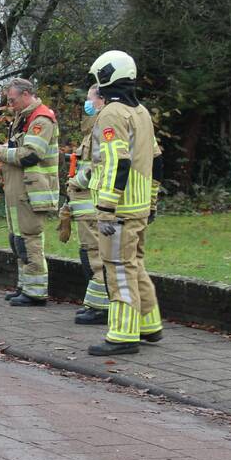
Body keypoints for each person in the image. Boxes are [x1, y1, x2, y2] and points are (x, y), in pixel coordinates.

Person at [87, 51, 164, 355]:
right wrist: (153, 201)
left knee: (118, 269)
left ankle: (122, 335)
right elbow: (157, 161)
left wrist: (106, 207)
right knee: (135, 266)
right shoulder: (142, 112)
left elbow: (116, 162)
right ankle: (149, 324)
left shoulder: (111, 114)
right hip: (140, 205)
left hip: (119, 210)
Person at [0, 78, 59, 306]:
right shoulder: (24, 117)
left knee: (29, 238)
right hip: (20, 188)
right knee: (17, 239)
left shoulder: (40, 119)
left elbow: (31, 154)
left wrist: (0, 154)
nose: (10, 104)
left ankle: (35, 292)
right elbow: (20, 148)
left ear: (26, 95)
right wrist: (2, 149)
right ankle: (25, 286)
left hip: (32, 189)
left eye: (13, 99)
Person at [65, 85, 109, 325]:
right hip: (84, 200)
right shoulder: (93, 128)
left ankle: (101, 308)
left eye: (90, 98)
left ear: (100, 99)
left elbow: (99, 163)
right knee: (89, 252)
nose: (87, 104)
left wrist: (77, 180)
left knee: (96, 254)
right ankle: (94, 305)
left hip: (92, 199)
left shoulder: (103, 125)